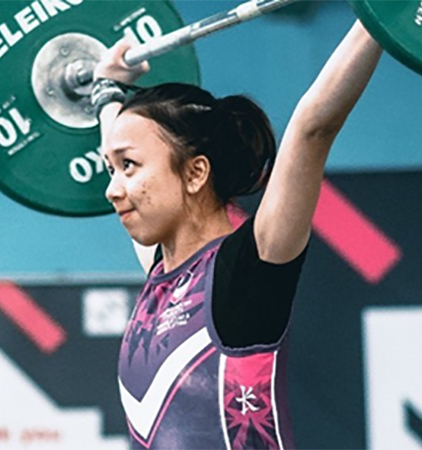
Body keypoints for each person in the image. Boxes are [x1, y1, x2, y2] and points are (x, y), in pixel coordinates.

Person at [92, 19, 381, 449]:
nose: (112, 188)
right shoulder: (163, 274)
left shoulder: (246, 273)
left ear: (195, 173)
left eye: (128, 167)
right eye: (110, 169)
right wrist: (107, 93)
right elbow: (121, 144)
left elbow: (312, 126)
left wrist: (383, 17)